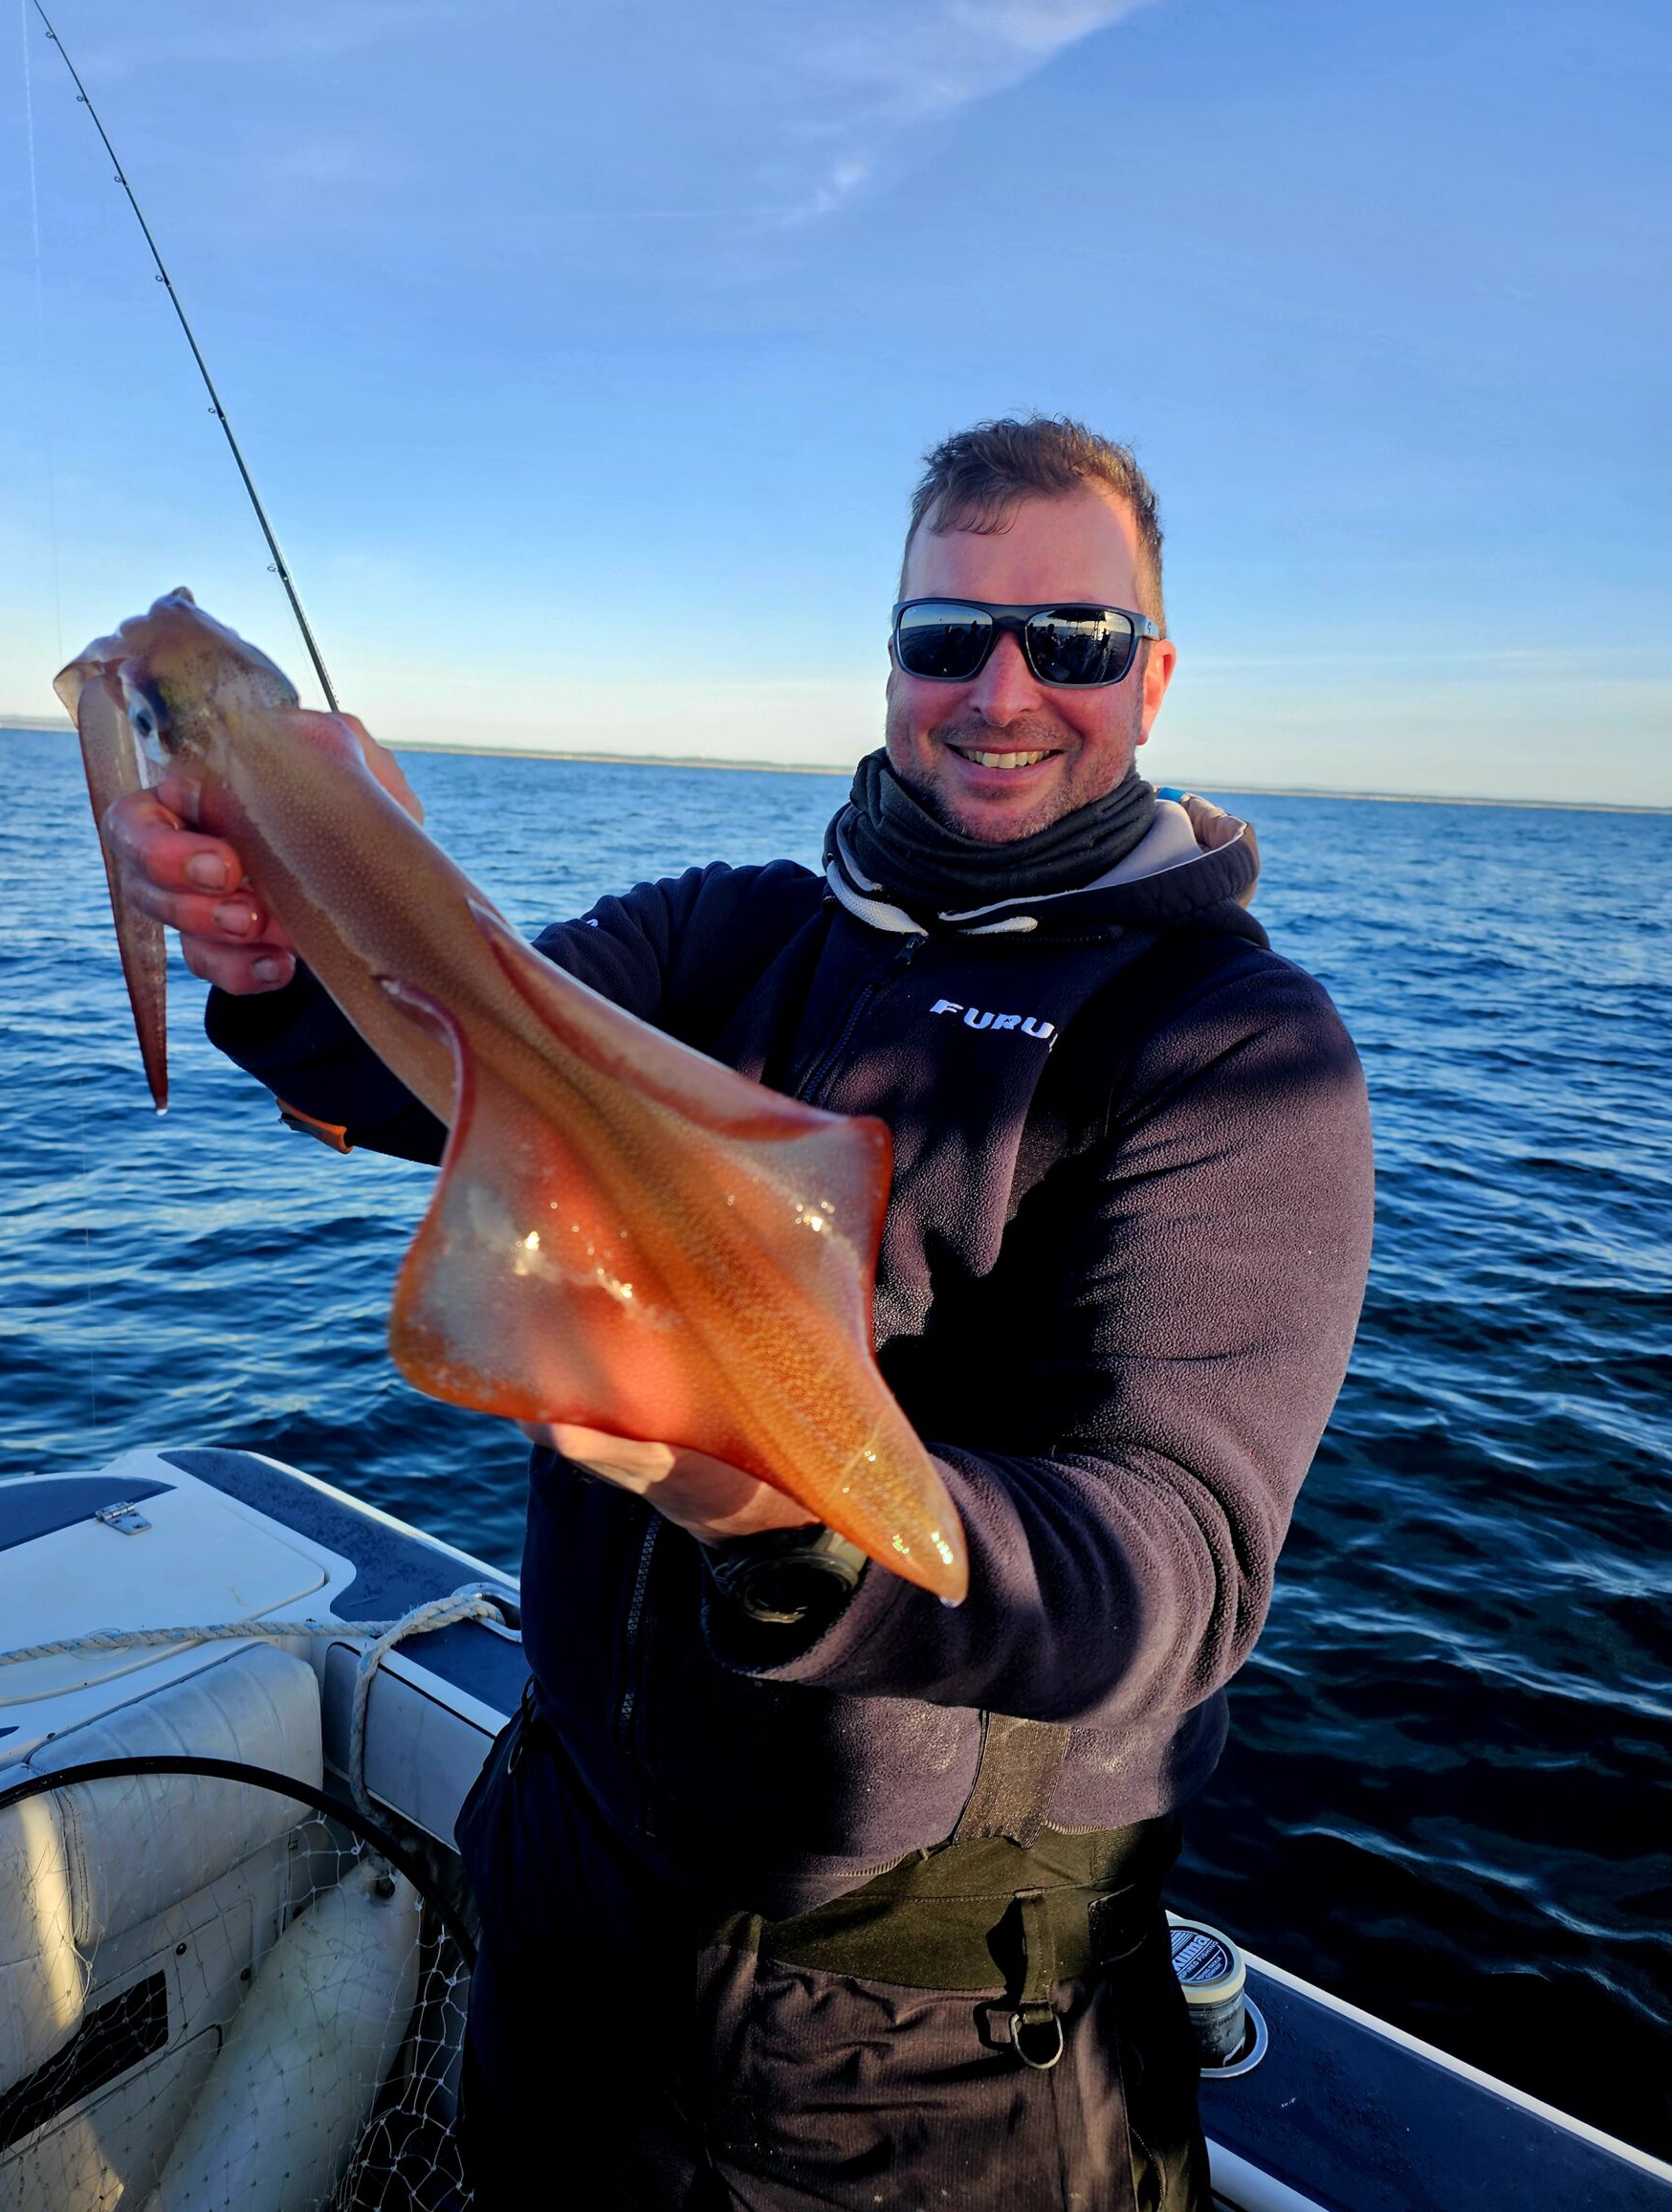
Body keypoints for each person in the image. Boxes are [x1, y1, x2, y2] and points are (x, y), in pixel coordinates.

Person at [108, 416, 1374, 2210]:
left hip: (921, 2052)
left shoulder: (1235, 1048)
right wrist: (276, 935)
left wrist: (799, 1528)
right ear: (893, 661)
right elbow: (421, 1061)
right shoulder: (728, 935)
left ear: (1152, 679)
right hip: (568, 1895)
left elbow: (1177, 1562)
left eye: (1074, 641)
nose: (1002, 689)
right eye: (949, 635)